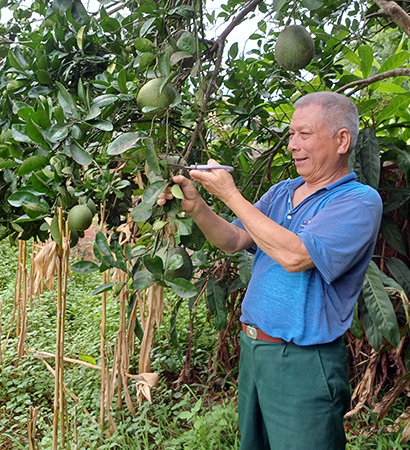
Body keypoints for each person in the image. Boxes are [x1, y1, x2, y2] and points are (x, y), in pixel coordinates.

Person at [157, 91, 382, 449]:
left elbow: (295, 256)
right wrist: (197, 206)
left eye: (304, 134)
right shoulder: (281, 192)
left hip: (304, 362)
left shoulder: (357, 201)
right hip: (255, 351)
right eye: (291, 134)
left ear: (342, 140)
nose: (292, 145)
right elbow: (233, 239)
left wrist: (230, 195)